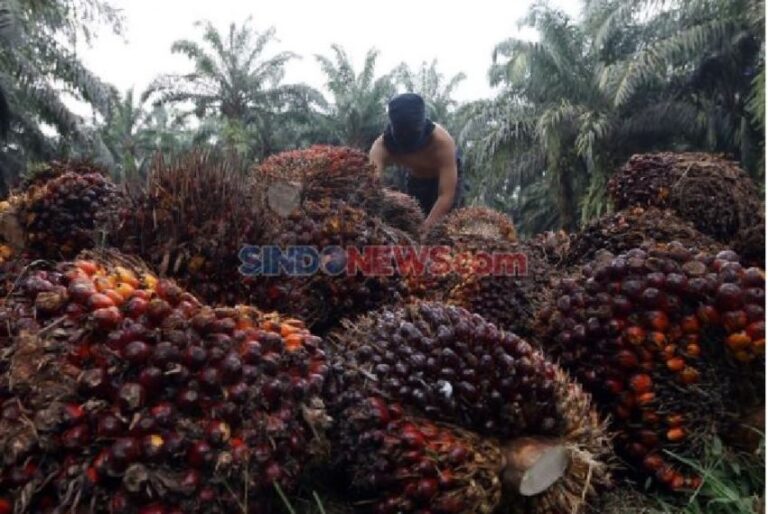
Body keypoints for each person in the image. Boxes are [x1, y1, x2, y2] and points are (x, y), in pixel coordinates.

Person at [369, 93, 464, 231]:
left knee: (444, 227)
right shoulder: (381, 148)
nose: (407, 137)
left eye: (412, 134)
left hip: (445, 181)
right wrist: (391, 196)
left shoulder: (442, 142)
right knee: (412, 220)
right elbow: (372, 188)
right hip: (417, 180)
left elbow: (446, 195)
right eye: (402, 135)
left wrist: (425, 230)